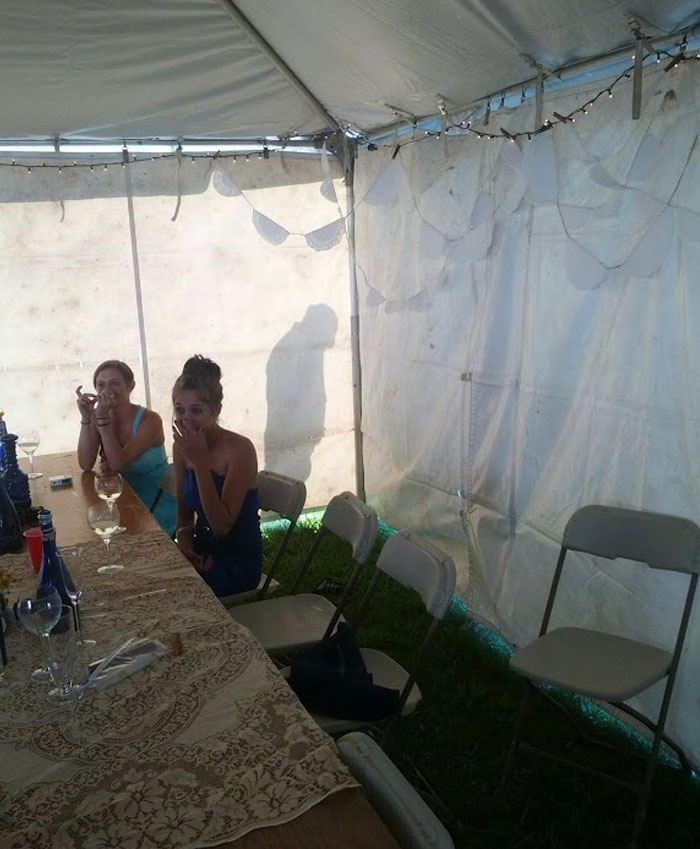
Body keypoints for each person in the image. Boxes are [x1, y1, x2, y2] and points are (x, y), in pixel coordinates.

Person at [171, 355, 263, 597]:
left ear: (216, 411)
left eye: (196, 411)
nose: (186, 419)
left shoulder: (239, 449)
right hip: (201, 550)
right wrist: (187, 547)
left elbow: (221, 526)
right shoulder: (181, 448)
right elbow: (183, 518)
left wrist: (200, 464)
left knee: (172, 597)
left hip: (236, 561)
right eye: (179, 410)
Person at [75, 360, 176, 536]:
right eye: (101, 385)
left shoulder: (150, 420)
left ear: (130, 386)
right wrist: (86, 418)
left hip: (153, 506)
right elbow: (85, 463)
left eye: (114, 383)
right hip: (121, 502)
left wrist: (102, 422)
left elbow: (117, 464)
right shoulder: (100, 416)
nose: (107, 390)